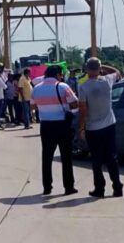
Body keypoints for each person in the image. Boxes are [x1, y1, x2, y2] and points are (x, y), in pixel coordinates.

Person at [78, 58, 123, 198]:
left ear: (86, 70)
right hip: (109, 125)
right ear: (99, 69)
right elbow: (118, 72)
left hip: (93, 128)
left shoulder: (83, 87)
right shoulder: (107, 80)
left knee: (96, 159)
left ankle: (99, 188)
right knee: (112, 157)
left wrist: (81, 128)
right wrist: (102, 65)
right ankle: (117, 187)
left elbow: (83, 110)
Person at [31, 65, 78, 196]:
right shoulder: (63, 87)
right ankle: (68, 187)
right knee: (66, 157)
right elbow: (74, 103)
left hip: (46, 125)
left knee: (47, 157)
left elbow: (33, 106)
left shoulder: (37, 88)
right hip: (62, 124)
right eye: (61, 74)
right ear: (57, 74)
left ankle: (47, 187)